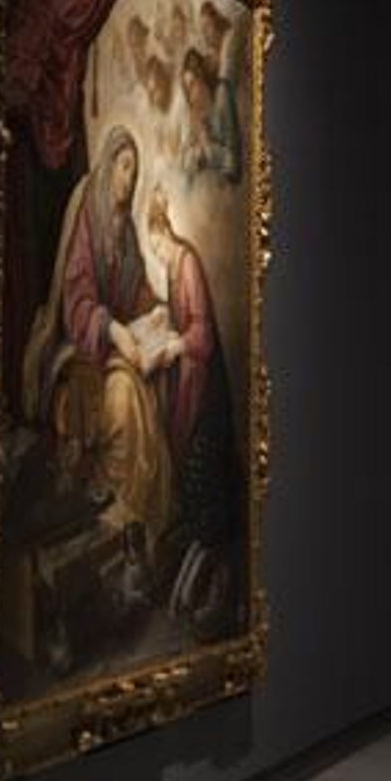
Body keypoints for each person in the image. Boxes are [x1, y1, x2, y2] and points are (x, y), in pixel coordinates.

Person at [23, 125, 173, 544]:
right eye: (125, 167)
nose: (129, 179)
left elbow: (136, 288)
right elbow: (76, 299)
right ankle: (115, 506)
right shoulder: (89, 210)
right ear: (109, 164)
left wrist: (156, 310)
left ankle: (131, 514)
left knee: (140, 395)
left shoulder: (125, 228)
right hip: (80, 348)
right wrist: (111, 328)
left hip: (113, 350)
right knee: (124, 400)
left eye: (134, 172)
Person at [145, 188, 239, 548]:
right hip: (187, 378)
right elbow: (181, 317)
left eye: (157, 246)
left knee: (203, 467)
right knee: (179, 453)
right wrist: (162, 316)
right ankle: (193, 538)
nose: (157, 255)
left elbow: (203, 333)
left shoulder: (187, 263)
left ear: (164, 233)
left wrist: (176, 345)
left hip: (205, 384)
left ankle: (211, 547)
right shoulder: (172, 268)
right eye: (153, 250)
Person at [179, 47, 241, 183]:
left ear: (202, 78)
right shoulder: (193, 112)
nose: (190, 95)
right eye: (186, 89)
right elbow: (184, 165)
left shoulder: (221, 95)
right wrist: (196, 154)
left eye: (192, 84)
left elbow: (232, 162)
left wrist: (205, 145)